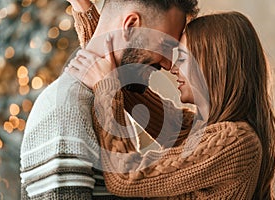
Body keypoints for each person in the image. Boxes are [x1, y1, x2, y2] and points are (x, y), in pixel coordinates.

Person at [67, 8, 275, 199]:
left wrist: (105, 86)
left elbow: (127, 177)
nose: (171, 67)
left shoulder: (236, 141)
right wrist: (85, 10)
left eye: (181, 58)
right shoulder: (197, 131)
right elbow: (126, 88)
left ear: (212, 66)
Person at [19, 0, 199, 199]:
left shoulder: (111, 100)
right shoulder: (66, 108)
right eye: (164, 45)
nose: (167, 64)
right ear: (130, 26)